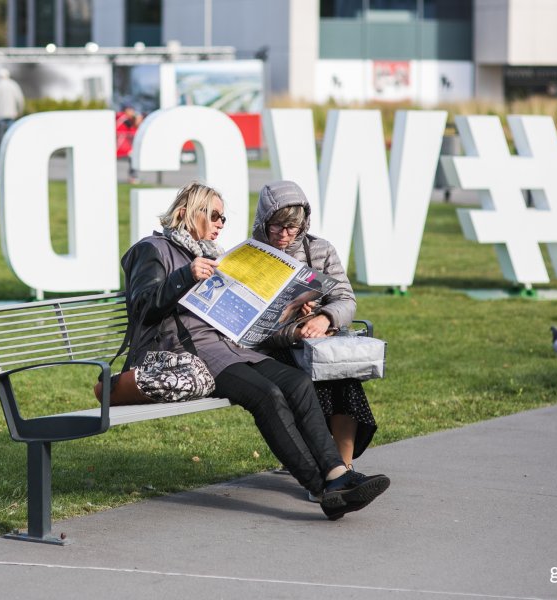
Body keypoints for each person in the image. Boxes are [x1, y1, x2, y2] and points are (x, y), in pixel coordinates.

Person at [120, 181, 389, 520]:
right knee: (267, 395)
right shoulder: (152, 249)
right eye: (214, 215)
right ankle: (324, 488)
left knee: (296, 383)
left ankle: (337, 474)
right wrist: (184, 276)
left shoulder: (216, 255)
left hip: (227, 346)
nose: (220, 223)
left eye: (223, 218)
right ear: (187, 213)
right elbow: (142, 305)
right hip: (186, 354)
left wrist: (285, 311)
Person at [252, 180, 379, 499]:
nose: (284, 234)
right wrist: (294, 324)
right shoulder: (251, 258)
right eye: (277, 226)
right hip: (272, 348)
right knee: (311, 383)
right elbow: (249, 326)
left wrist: (323, 317)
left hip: (318, 342)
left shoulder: (319, 250)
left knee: (343, 378)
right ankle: (326, 473)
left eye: (292, 227)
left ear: (303, 224)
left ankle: (344, 471)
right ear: (263, 221)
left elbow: (345, 299)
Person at [0, 68, 25, 176]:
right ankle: (12, 169)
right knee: (11, 144)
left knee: (0, 145)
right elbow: (20, 100)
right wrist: (19, 111)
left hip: (1, 118)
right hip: (12, 117)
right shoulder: (13, 85)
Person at [116, 105, 142, 183]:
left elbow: (136, 127)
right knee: (133, 155)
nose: (132, 112)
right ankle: (133, 177)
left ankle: (133, 177)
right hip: (118, 146)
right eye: (131, 110)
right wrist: (137, 117)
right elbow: (136, 124)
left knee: (133, 155)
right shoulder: (122, 117)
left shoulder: (125, 119)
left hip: (122, 146)